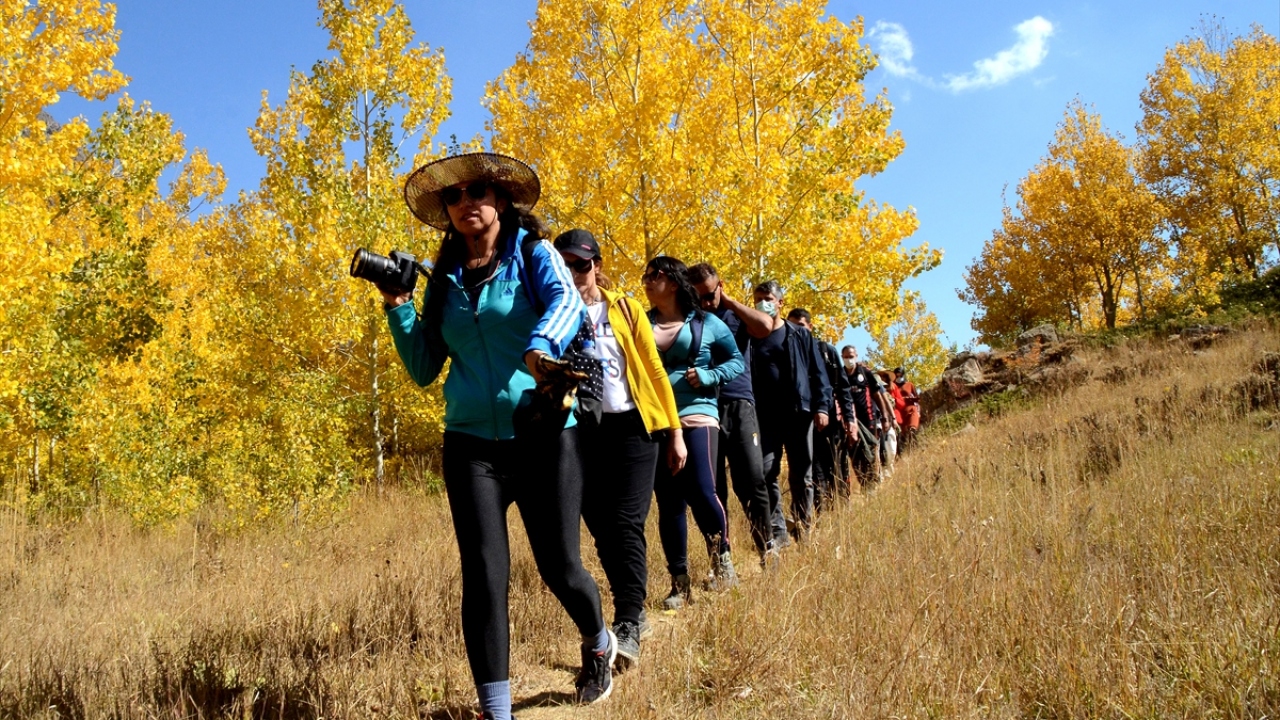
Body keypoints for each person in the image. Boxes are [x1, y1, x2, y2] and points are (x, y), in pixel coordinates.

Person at [387, 153, 615, 718]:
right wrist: (399, 306)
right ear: (447, 212)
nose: (466, 202)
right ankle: (498, 711)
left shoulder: (533, 255)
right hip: (469, 445)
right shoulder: (443, 285)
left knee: (560, 566)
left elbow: (566, 302)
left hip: (541, 433)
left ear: (502, 200)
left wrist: (540, 347)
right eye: (455, 196)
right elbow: (422, 368)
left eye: (478, 191)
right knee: (485, 577)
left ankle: (598, 642)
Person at [554, 229, 686, 670]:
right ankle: (630, 603)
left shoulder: (625, 308)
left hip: (633, 426)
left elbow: (653, 368)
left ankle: (628, 620)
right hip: (581, 431)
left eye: (582, 264)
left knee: (628, 521)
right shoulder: (551, 310)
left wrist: (674, 431)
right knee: (601, 527)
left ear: (597, 265)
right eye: (566, 264)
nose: (575, 273)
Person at [643, 256, 745, 610]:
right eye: (645, 274)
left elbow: (736, 361)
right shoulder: (641, 322)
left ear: (672, 282)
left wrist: (708, 376)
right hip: (656, 419)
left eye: (653, 274)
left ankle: (723, 562)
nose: (646, 279)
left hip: (698, 415)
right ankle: (679, 582)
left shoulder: (708, 322)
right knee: (669, 502)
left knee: (702, 490)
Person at [686, 263, 777, 564]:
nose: (705, 302)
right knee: (711, 489)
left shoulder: (735, 316)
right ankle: (720, 557)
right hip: (703, 410)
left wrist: (729, 302)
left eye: (710, 295)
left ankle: (767, 547)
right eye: (698, 297)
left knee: (752, 479)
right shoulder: (690, 321)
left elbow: (765, 326)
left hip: (739, 405)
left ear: (720, 286)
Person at [750, 281, 832, 543]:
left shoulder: (798, 334)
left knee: (801, 473)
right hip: (764, 416)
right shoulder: (750, 335)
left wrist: (822, 407)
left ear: (780, 303)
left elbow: (818, 372)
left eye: (768, 298)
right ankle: (779, 531)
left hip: (798, 413)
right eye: (758, 298)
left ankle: (804, 527)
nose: (763, 302)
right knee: (765, 472)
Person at [785, 308, 854, 510]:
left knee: (836, 466)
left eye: (801, 326)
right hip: (803, 421)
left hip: (830, 421)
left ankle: (842, 508)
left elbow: (843, 388)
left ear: (810, 326)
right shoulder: (787, 351)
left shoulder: (827, 351)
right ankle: (819, 511)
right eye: (792, 326)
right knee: (813, 469)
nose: (797, 330)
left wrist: (850, 420)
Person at [841, 345, 889, 488]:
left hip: (869, 419)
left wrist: (885, 417)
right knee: (855, 454)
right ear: (842, 357)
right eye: (846, 357)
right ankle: (864, 483)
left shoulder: (865, 372)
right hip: (851, 422)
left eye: (851, 356)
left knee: (871, 450)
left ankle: (874, 482)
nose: (849, 359)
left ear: (856, 356)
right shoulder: (840, 375)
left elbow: (878, 395)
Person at [893, 366, 922, 450]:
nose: (898, 378)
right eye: (896, 376)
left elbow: (917, 398)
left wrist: (918, 410)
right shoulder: (894, 386)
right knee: (900, 433)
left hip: (910, 408)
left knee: (912, 428)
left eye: (900, 376)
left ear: (903, 375)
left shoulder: (909, 384)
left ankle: (914, 445)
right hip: (899, 411)